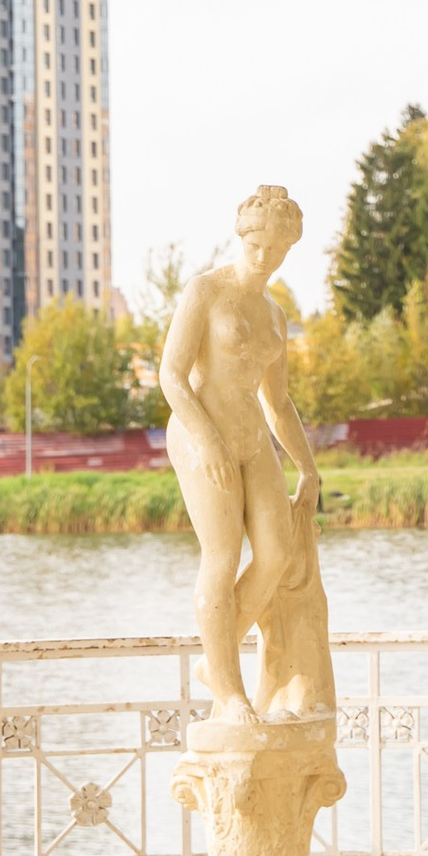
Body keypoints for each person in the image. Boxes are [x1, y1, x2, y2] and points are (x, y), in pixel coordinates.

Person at [159, 184, 334, 722]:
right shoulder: (205, 292)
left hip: (253, 435)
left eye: (277, 249)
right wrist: (206, 438)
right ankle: (231, 694)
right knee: (222, 555)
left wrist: (307, 467)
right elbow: (171, 374)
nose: (265, 257)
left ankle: (218, 658)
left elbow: (278, 402)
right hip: (199, 434)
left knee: (278, 553)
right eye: (257, 245)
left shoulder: (275, 315)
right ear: (242, 237)